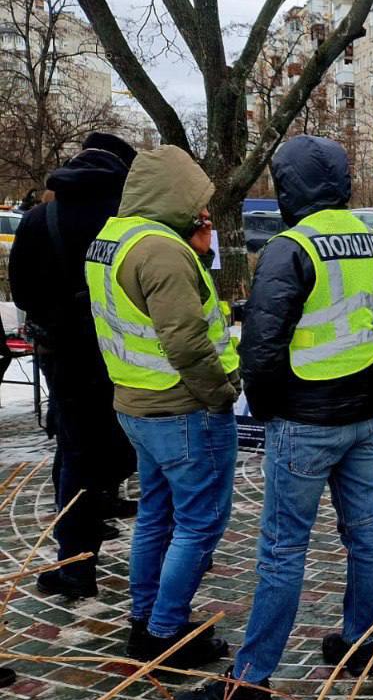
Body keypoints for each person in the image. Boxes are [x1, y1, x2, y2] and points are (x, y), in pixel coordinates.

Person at [175, 136, 373, 700]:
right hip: (362, 410)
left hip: (305, 416)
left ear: (289, 186)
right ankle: (358, 643)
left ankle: (250, 682)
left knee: (281, 549)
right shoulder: (371, 240)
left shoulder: (290, 248)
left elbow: (262, 350)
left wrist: (266, 410)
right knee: (365, 530)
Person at [83, 145, 239, 666]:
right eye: (196, 202)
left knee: (156, 515)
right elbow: (187, 340)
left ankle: (146, 614)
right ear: (173, 194)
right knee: (199, 522)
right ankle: (164, 631)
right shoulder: (162, 250)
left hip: (135, 403)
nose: (202, 213)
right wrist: (221, 395)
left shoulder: (111, 239)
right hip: (183, 408)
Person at [11, 133, 138, 598]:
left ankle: (76, 563)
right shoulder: (129, 221)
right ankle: (109, 509)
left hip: (64, 356)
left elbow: (22, 294)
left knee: (75, 449)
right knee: (127, 439)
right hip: (124, 353)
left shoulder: (39, 219)